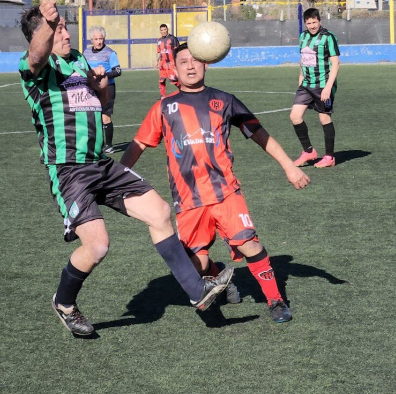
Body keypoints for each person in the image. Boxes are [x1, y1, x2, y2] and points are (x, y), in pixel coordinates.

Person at [18, 0, 234, 337]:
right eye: (58, 30)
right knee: (97, 246)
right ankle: (64, 302)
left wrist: (100, 87)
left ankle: (197, 291)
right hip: (69, 171)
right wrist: (48, 23)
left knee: (160, 212)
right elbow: (36, 55)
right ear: (41, 33)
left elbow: (100, 103)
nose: (66, 34)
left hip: (101, 164)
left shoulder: (78, 60)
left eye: (64, 27)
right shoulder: (35, 69)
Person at [120, 43, 311, 323]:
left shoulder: (224, 100)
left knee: (249, 244)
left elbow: (259, 133)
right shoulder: (164, 107)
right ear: (174, 69)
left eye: (195, 60)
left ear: (206, 63)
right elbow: (139, 143)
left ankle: (275, 300)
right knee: (194, 266)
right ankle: (219, 273)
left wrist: (289, 166)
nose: (190, 66)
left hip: (225, 192)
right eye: (183, 61)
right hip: (188, 199)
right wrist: (118, 177)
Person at [291, 8, 341, 168]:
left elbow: (335, 63)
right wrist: (300, 78)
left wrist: (328, 88)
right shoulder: (303, 37)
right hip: (306, 84)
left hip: (323, 85)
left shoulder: (328, 37)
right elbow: (303, 59)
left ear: (320, 21)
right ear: (305, 24)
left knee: (324, 118)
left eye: (314, 22)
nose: (312, 26)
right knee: (295, 116)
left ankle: (329, 157)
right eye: (309, 23)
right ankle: (308, 151)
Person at [83, 26, 121, 154]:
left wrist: (103, 75)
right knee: (94, 117)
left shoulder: (110, 53)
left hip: (107, 88)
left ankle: (109, 145)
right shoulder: (86, 53)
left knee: (105, 117)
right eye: (96, 39)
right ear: (91, 40)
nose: (99, 42)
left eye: (101, 39)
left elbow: (118, 71)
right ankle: (99, 144)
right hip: (91, 88)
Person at [156, 23, 180, 97]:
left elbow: (178, 50)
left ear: (167, 29)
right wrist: (156, 61)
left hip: (171, 63)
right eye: (162, 30)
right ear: (160, 31)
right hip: (162, 63)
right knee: (161, 80)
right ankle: (162, 96)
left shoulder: (172, 38)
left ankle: (185, 92)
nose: (163, 31)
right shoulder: (159, 40)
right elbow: (159, 52)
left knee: (174, 80)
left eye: (165, 29)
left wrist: (177, 61)